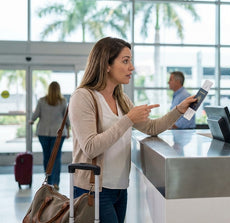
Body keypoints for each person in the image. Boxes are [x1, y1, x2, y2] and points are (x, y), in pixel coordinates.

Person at [68, 37, 196, 223]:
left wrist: (179, 110)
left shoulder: (122, 99)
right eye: (125, 61)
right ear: (106, 65)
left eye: (131, 61)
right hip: (93, 190)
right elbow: (90, 147)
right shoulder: (83, 97)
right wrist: (128, 119)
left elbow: (151, 128)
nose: (132, 67)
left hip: (120, 189)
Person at [29, 81, 70, 191]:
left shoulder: (42, 101)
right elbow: (66, 117)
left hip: (43, 132)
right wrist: (69, 129)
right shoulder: (62, 101)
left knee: (47, 157)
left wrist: (31, 120)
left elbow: (36, 114)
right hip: (58, 133)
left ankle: (49, 181)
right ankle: (56, 182)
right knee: (56, 158)